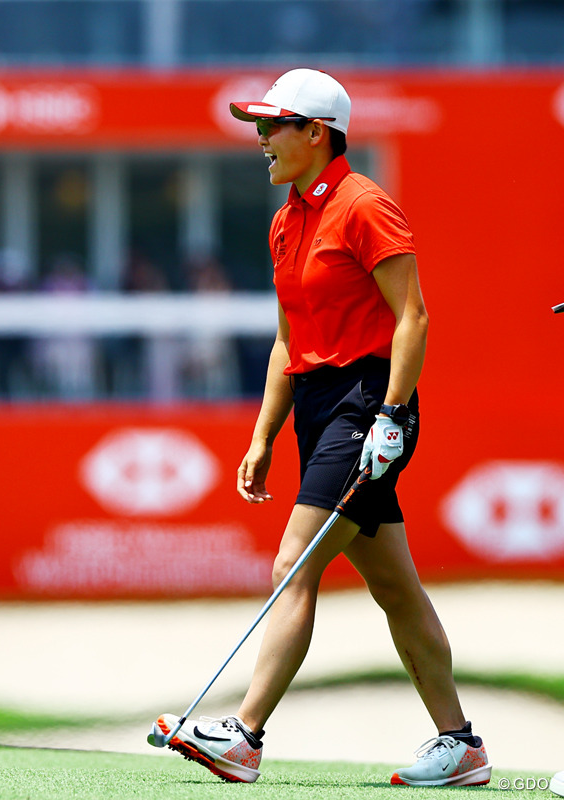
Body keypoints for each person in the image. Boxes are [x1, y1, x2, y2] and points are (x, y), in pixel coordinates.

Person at [148, 69, 490, 787]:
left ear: (316, 132)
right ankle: (460, 745)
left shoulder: (366, 205)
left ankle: (245, 735)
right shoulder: (285, 221)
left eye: (274, 127)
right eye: (259, 127)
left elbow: (413, 318)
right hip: (316, 407)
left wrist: (394, 414)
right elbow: (286, 342)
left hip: (368, 406)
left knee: (293, 562)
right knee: (395, 587)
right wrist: (263, 437)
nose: (262, 139)